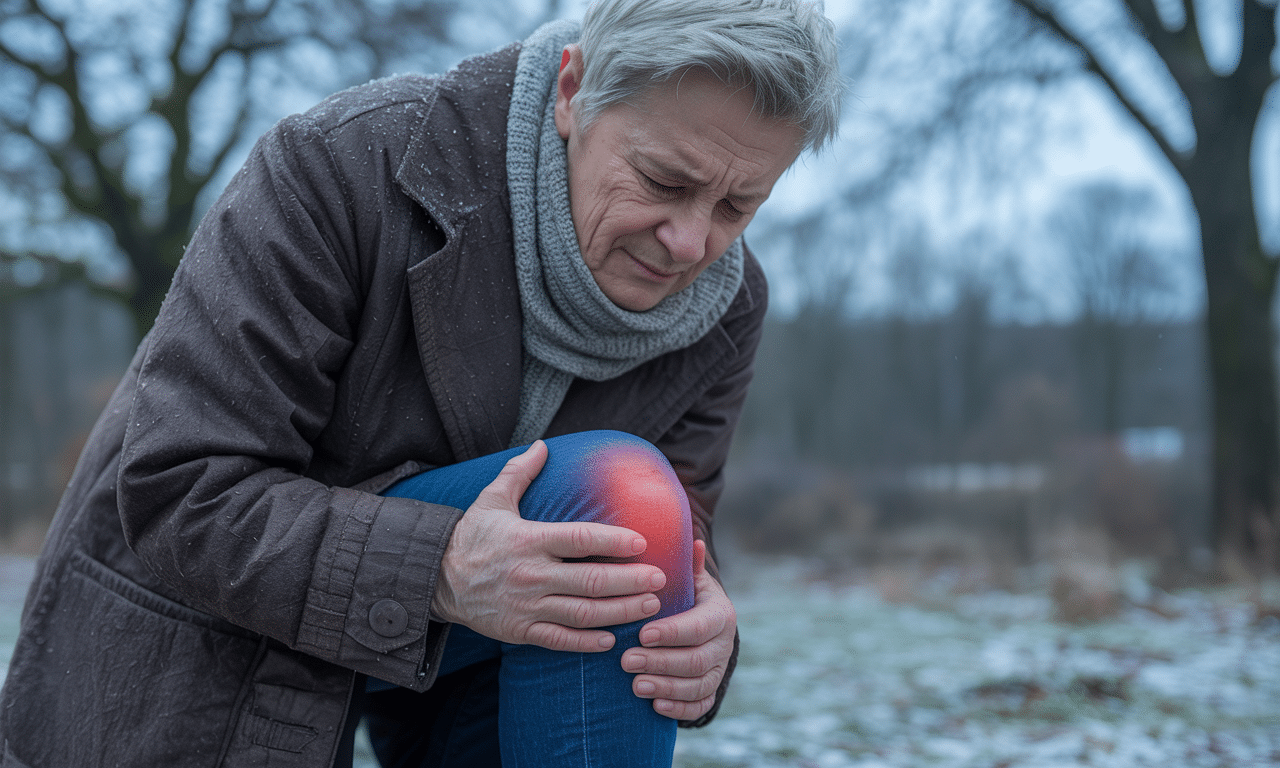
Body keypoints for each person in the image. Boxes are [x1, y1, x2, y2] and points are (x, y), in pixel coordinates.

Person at [0, 0, 841, 766]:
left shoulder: (723, 308)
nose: (692, 242)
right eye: (665, 182)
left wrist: (703, 626)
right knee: (613, 493)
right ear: (572, 92)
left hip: (469, 672)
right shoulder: (339, 167)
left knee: (632, 522)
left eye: (738, 207)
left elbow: (683, 520)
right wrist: (439, 569)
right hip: (209, 643)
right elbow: (178, 490)